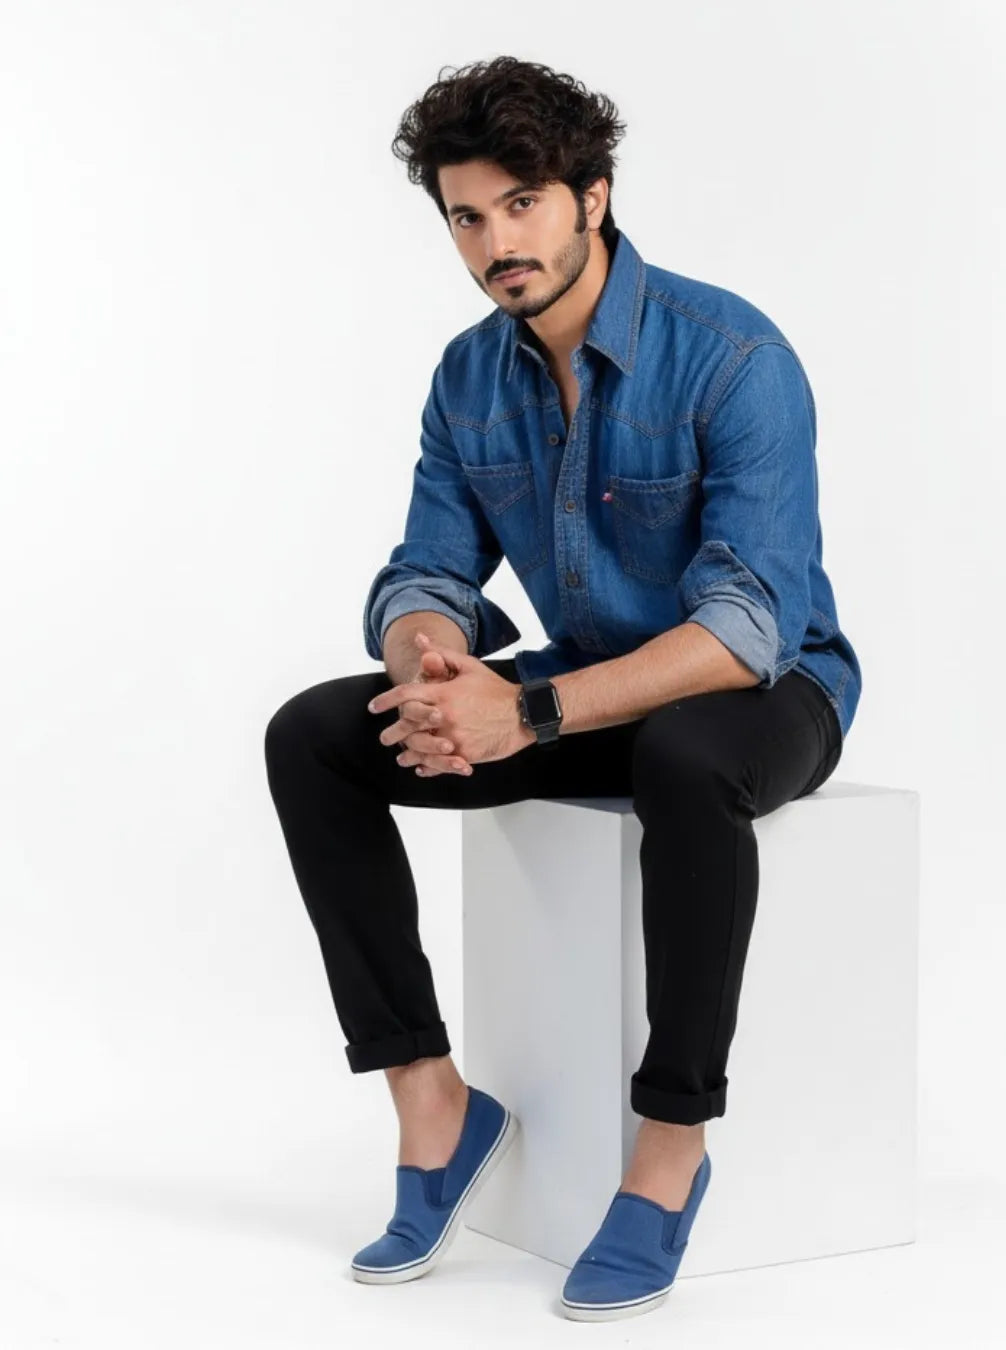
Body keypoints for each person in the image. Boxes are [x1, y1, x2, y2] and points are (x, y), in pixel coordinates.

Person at [264, 55, 861, 1321]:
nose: (495, 243)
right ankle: (436, 1109)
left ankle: (668, 1154)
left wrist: (525, 711)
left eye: (521, 203)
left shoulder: (734, 356)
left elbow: (746, 625)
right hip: (589, 689)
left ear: (593, 195)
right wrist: (430, 662)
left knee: (688, 758)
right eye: (466, 217)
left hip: (770, 692)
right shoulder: (468, 378)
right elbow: (426, 568)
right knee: (315, 734)